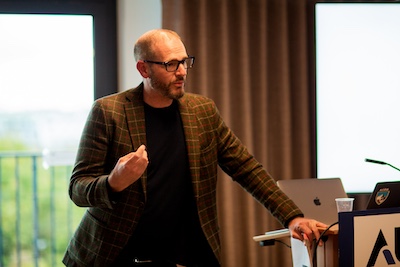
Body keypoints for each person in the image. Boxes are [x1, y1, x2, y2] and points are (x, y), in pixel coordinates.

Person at [62, 29, 327, 267]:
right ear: (144, 69)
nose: (182, 72)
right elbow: (78, 188)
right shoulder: (108, 112)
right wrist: (114, 182)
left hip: (185, 254)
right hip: (117, 253)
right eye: (170, 64)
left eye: (185, 61)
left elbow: (245, 167)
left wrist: (292, 217)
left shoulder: (202, 111)